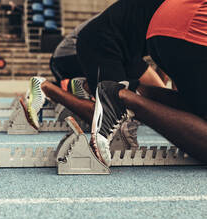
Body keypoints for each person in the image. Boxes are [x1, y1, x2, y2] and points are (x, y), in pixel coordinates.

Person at [23, 3, 166, 140]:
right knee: (110, 117)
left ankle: (84, 86)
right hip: (77, 51)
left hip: (126, 50)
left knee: (157, 98)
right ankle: (46, 87)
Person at [89, 0, 207, 165]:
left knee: (197, 109)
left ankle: (133, 91)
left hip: (166, 21)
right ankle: (121, 97)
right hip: (194, 27)